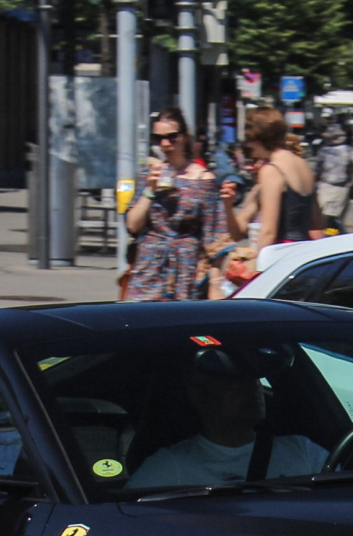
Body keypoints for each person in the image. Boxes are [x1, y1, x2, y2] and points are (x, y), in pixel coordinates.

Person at [129, 346, 329, 491]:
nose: (252, 388)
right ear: (199, 394)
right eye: (235, 381)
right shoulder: (169, 468)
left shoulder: (303, 451)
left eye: (254, 378)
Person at [122, 109, 223, 301]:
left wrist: (215, 285)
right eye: (158, 138)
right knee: (139, 324)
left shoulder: (204, 180)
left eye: (172, 137)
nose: (165, 144)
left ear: (184, 137)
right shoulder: (150, 175)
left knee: (180, 326)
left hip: (186, 269)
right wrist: (150, 190)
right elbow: (133, 225)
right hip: (149, 267)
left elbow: (215, 238)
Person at [229, 105, 318, 274]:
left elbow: (269, 231)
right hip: (303, 253)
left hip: (281, 254)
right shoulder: (303, 165)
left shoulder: (272, 170)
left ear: (256, 139)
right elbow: (316, 223)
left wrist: (257, 270)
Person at [315, 125, 353, 235]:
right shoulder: (348, 150)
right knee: (336, 216)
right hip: (342, 186)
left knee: (326, 216)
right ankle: (336, 236)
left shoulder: (324, 151)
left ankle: (332, 236)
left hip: (325, 185)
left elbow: (318, 170)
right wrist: (351, 174)